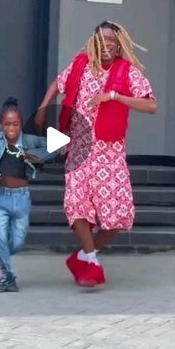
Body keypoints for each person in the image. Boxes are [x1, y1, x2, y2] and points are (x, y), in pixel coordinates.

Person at [34, 20, 157, 287]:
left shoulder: (128, 73)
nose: (106, 45)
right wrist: (44, 106)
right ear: (94, 41)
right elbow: (59, 82)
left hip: (110, 153)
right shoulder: (80, 64)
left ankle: (83, 256)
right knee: (77, 205)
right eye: (101, 39)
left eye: (111, 40)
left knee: (119, 215)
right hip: (78, 148)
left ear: (118, 42)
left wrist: (114, 96)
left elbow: (150, 105)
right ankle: (90, 260)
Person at [0, 97, 51, 292]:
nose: (11, 128)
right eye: (7, 124)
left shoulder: (28, 141)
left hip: (22, 198)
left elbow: (58, 143)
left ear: (21, 124)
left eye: (15, 124)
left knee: (16, 243)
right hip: (2, 198)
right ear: (1, 124)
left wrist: (36, 155)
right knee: (0, 237)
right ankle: (8, 277)